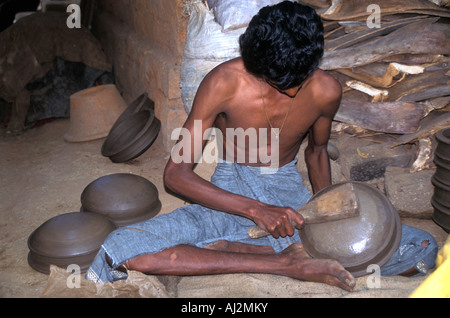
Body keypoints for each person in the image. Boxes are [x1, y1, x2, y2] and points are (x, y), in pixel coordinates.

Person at [86, 1, 437, 292]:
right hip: (228, 190)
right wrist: (257, 210)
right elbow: (175, 174)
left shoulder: (326, 90)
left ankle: (230, 250)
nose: (284, 91)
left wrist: (328, 210)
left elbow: (316, 152)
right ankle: (281, 262)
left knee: (419, 247)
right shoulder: (223, 82)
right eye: (272, 79)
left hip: (287, 190)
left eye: (294, 81)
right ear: (255, 62)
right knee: (117, 252)